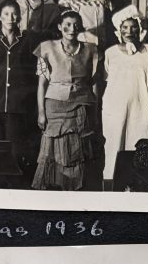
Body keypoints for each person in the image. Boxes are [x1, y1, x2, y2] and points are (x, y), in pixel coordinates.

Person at [32, 10, 103, 190]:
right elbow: (42, 83)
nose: (72, 28)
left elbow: (95, 83)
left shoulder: (91, 49)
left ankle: (75, 191)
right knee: (54, 149)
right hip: (54, 106)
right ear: (59, 27)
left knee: (78, 151)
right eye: (68, 24)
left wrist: (95, 110)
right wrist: (41, 113)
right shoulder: (47, 47)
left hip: (82, 104)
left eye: (75, 25)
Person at [101, 6, 148, 184]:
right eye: (125, 28)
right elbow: (106, 80)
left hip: (141, 107)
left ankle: (136, 184)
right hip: (115, 107)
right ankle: (110, 183)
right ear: (119, 30)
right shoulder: (110, 53)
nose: (129, 31)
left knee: (139, 144)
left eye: (133, 27)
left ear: (140, 29)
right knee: (114, 142)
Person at [0, 0, 40, 168]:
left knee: (16, 152)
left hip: (17, 106)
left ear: (19, 16)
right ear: (0, 17)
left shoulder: (27, 40)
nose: (10, 18)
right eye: (6, 14)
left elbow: (32, 72)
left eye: (14, 14)